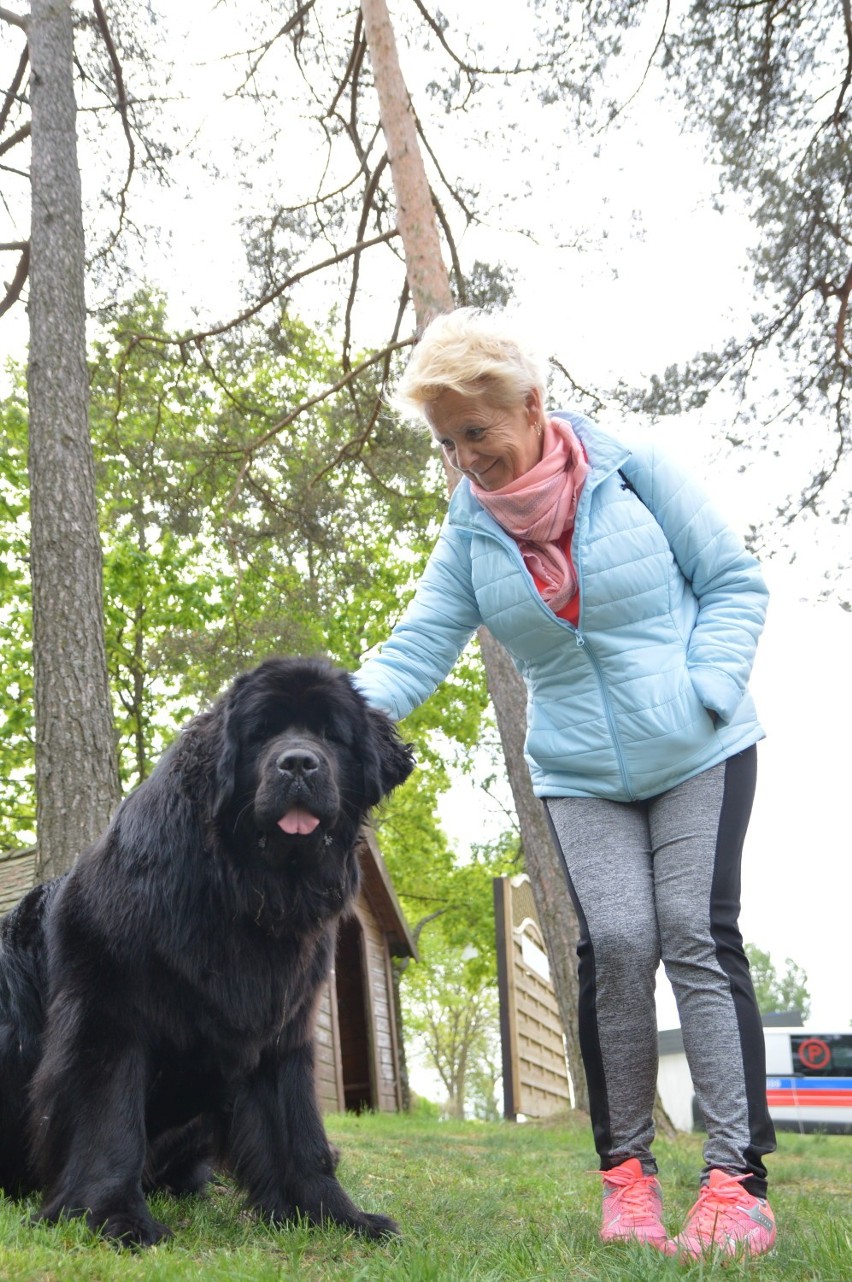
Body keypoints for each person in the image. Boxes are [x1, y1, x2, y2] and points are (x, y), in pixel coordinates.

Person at [353, 308, 777, 1259]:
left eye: (478, 432)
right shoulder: (470, 537)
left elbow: (735, 581)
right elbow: (417, 647)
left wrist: (705, 686)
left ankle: (735, 1182)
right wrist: (314, 708)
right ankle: (626, 1181)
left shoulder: (635, 473)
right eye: (448, 442)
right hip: (581, 771)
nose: (467, 457)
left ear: (533, 404)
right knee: (618, 944)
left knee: (693, 937)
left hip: (700, 749)